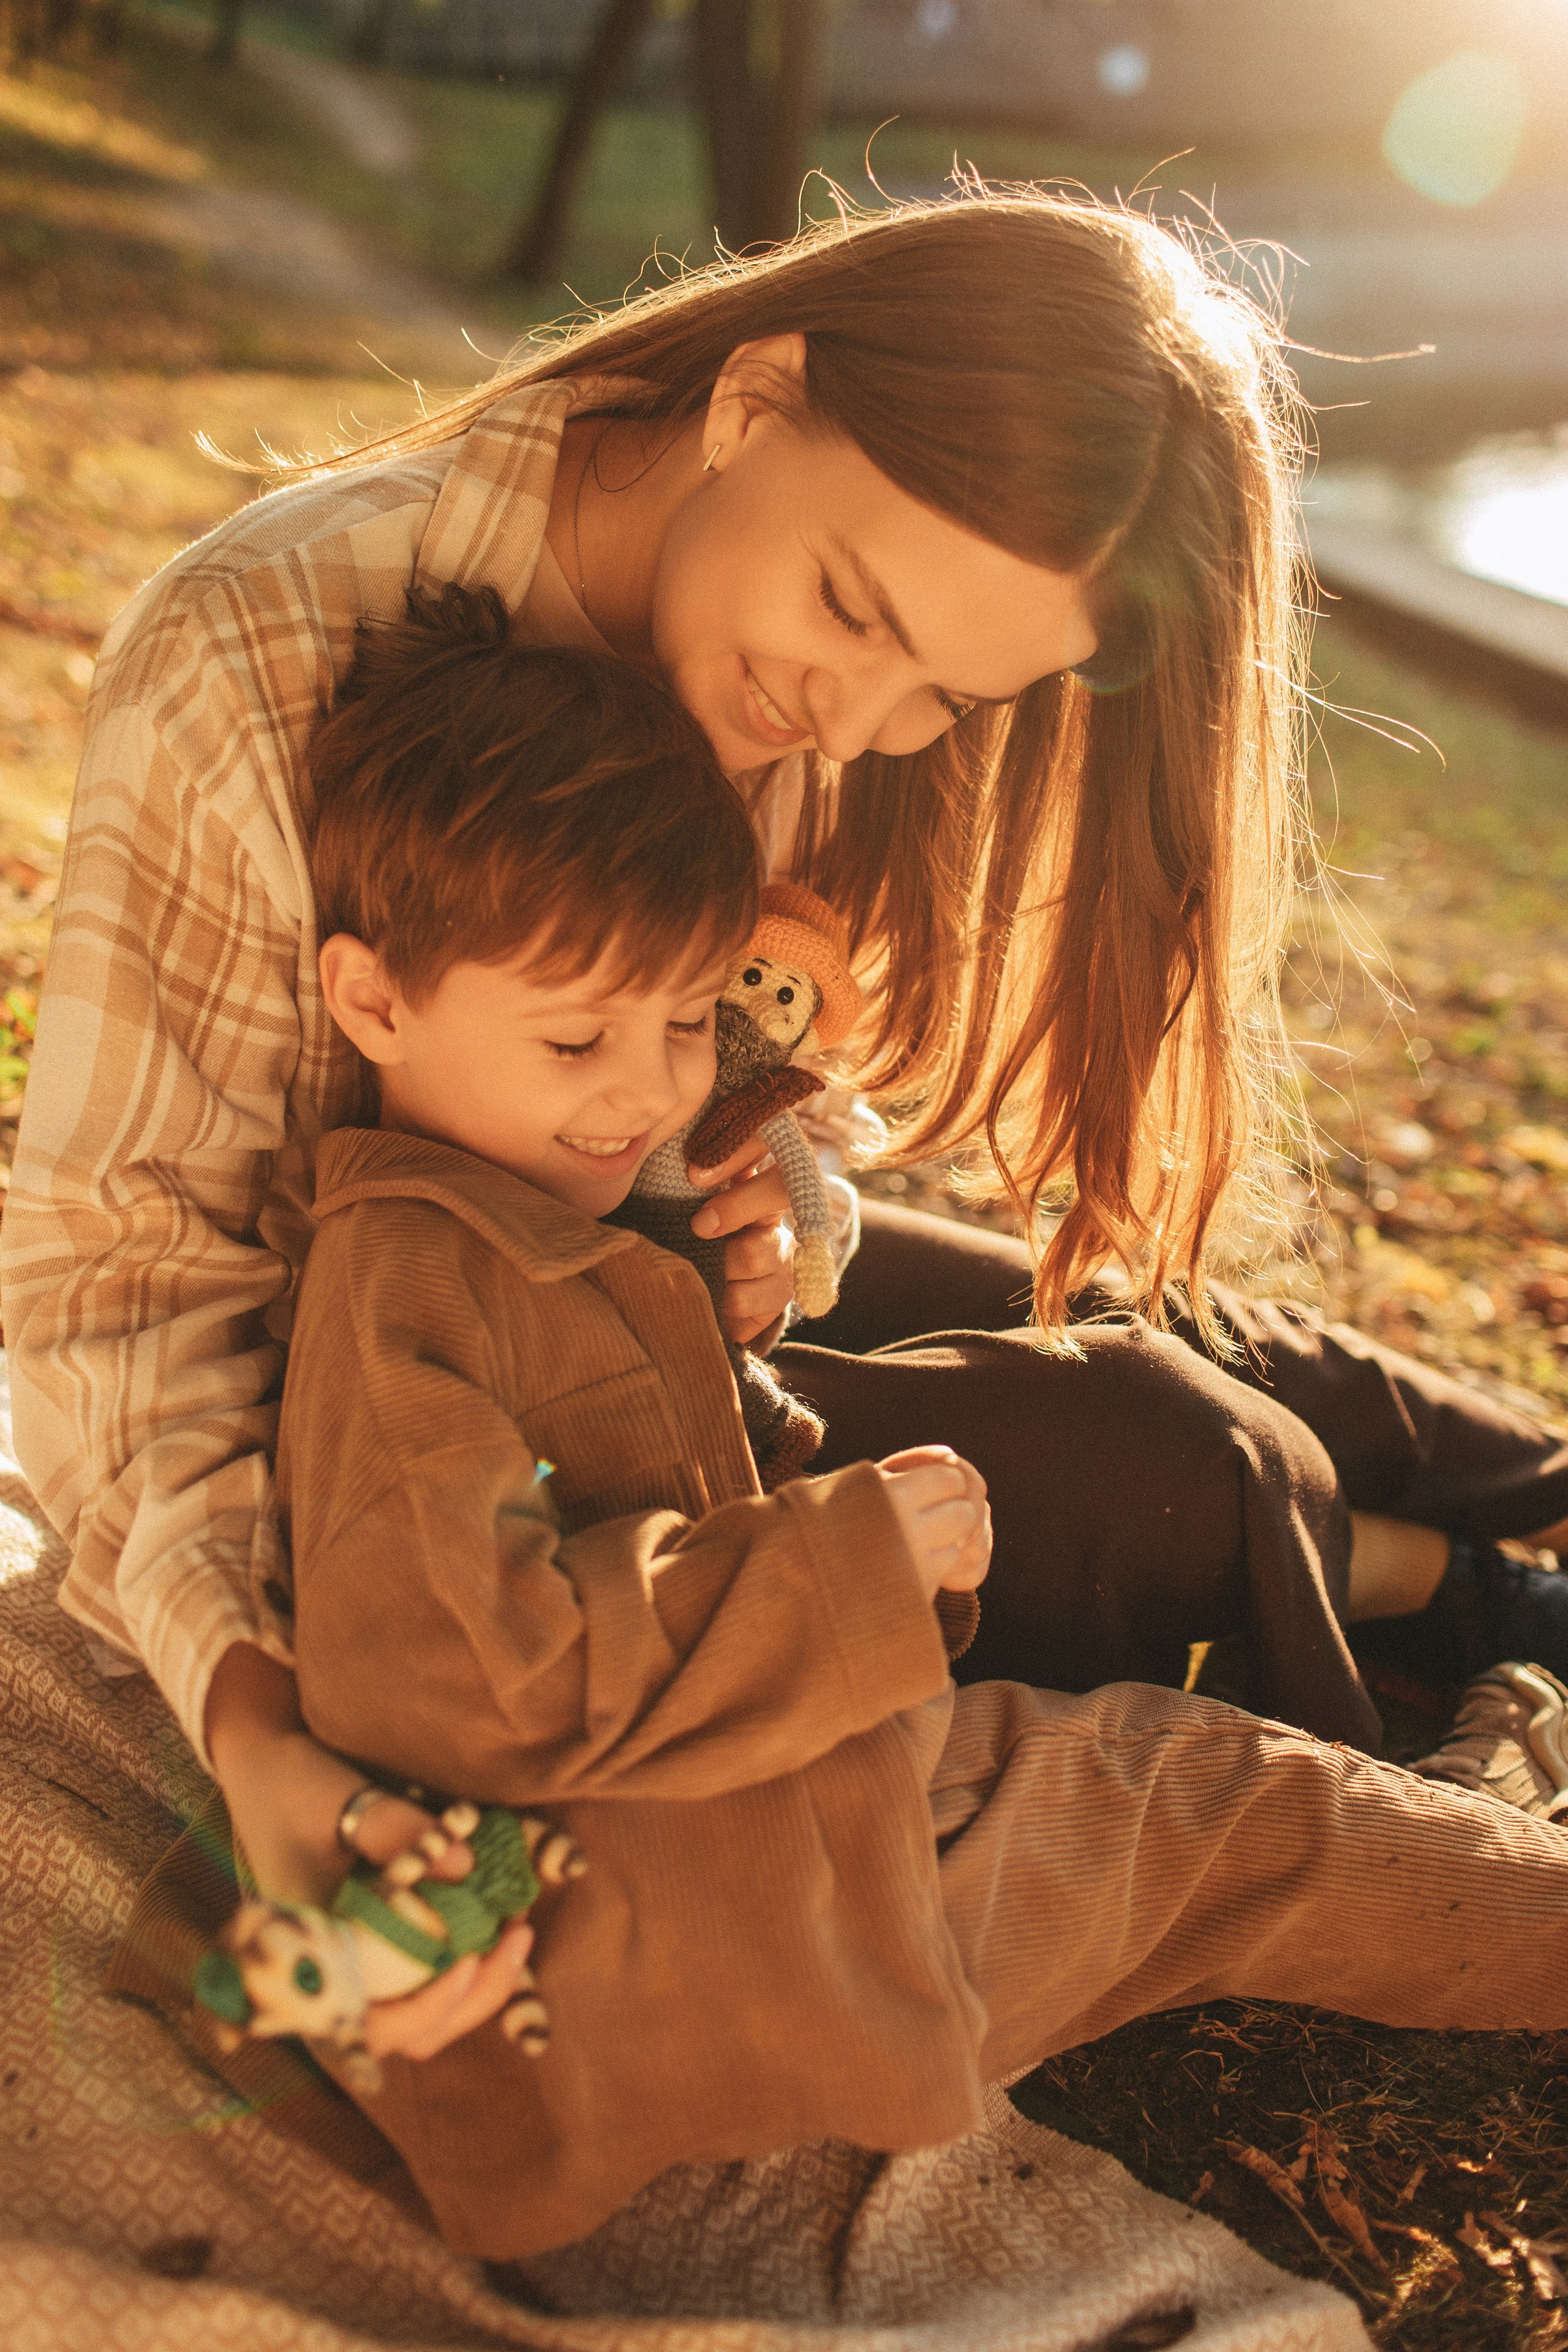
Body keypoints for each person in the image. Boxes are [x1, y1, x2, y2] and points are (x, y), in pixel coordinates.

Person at [4, 190, 1567, 2067]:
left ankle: (1535, 1491)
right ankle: (1498, 1605)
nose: (858, 714)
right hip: (445, 1404)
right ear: (753, 401)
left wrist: (778, 1210)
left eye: (949, 694)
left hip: (637, 1268)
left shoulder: (823, 679)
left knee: (1191, 1327)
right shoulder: (260, 651)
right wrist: (259, 1723)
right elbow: (119, 1286)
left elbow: (779, 1105)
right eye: (853, 613)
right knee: (1168, 1451)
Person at [157, 584, 1562, 2268]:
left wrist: (840, 1496)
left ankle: (1502, 1711)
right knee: (1236, 1814)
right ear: (371, 1002)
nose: (644, 1092)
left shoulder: (536, 1202)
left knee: (1236, 1802)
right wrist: (848, 1560)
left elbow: (663, 1493)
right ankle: (1510, 1756)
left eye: (687, 1024)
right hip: (710, 1937)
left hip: (775, 1818)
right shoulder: (406, 1289)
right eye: (575, 1037)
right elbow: (479, 1677)